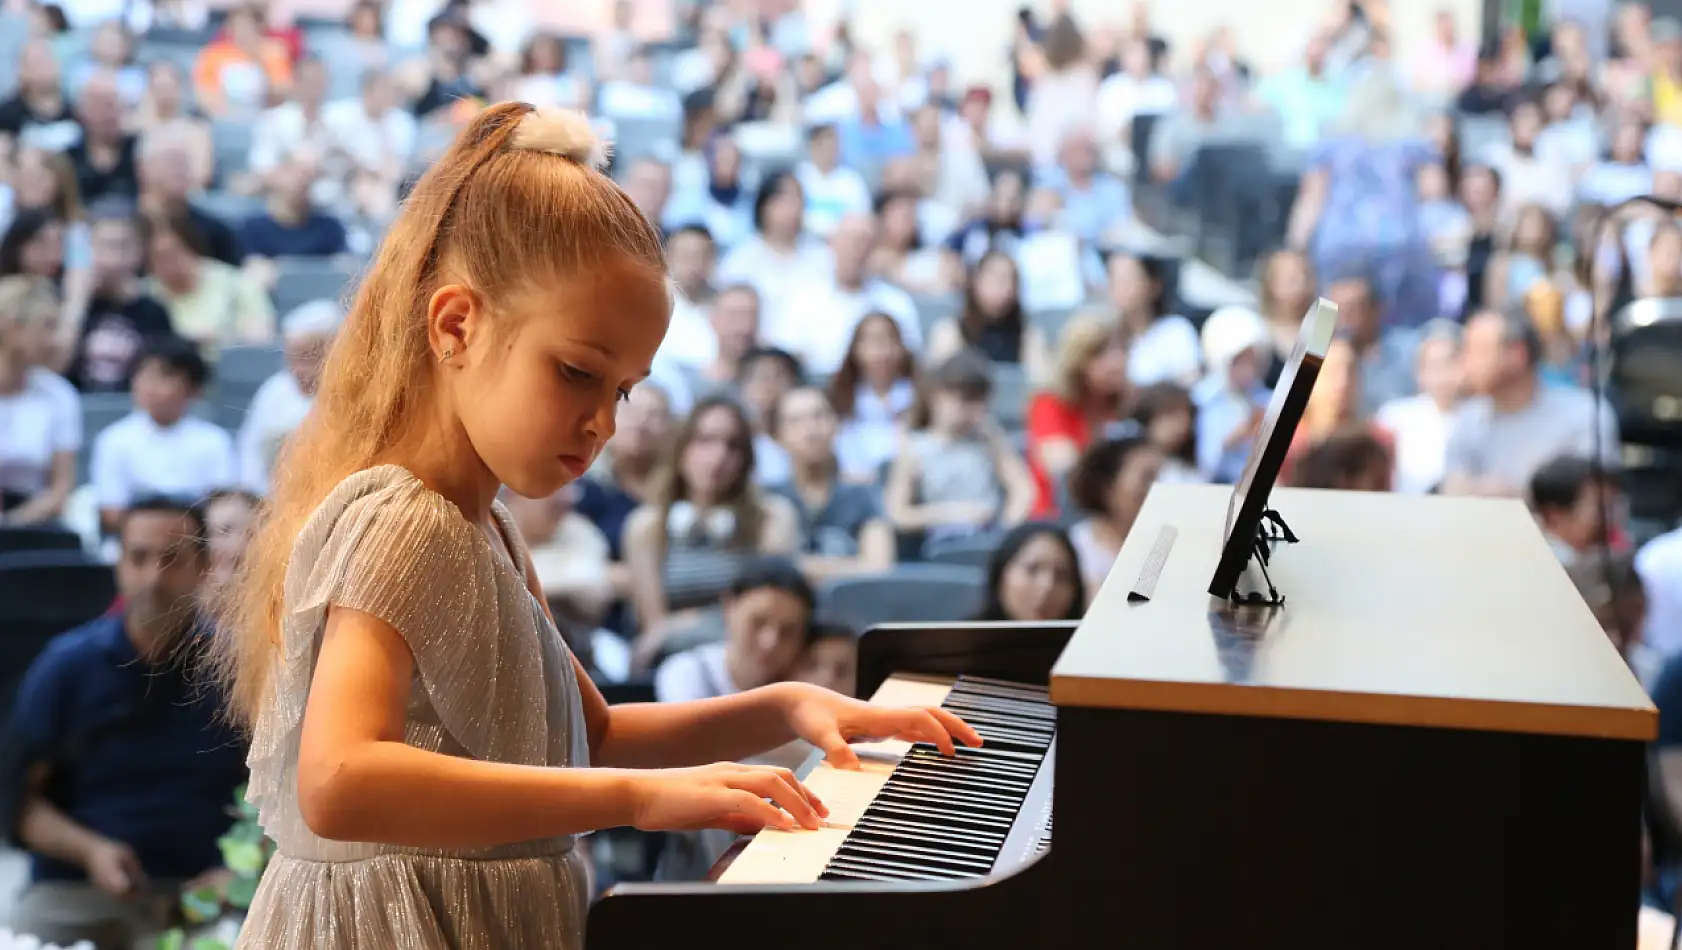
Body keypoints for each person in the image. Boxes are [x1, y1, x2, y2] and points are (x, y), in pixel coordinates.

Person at [210, 104, 979, 950]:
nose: (603, 424)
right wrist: (635, 799)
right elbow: (340, 779)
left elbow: (596, 733)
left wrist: (787, 704)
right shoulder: (401, 520)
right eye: (577, 372)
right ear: (456, 325)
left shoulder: (487, 527)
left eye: (622, 390)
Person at [2, 498, 247, 949]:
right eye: (139, 557)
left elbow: (277, 800)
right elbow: (19, 803)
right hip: (78, 893)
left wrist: (241, 873)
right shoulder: (66, 666)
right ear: (118, 563)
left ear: (204, 567)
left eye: (173, 559)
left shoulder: (236, 670)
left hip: (207, 896)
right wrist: (91, 851)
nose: (154, 576)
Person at [972, 522, 1087, 623]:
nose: (1047, 585)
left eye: (1061, 575)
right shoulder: (962, 642)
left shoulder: (1091, 644)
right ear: (1001, 574)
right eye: (1032, 569)